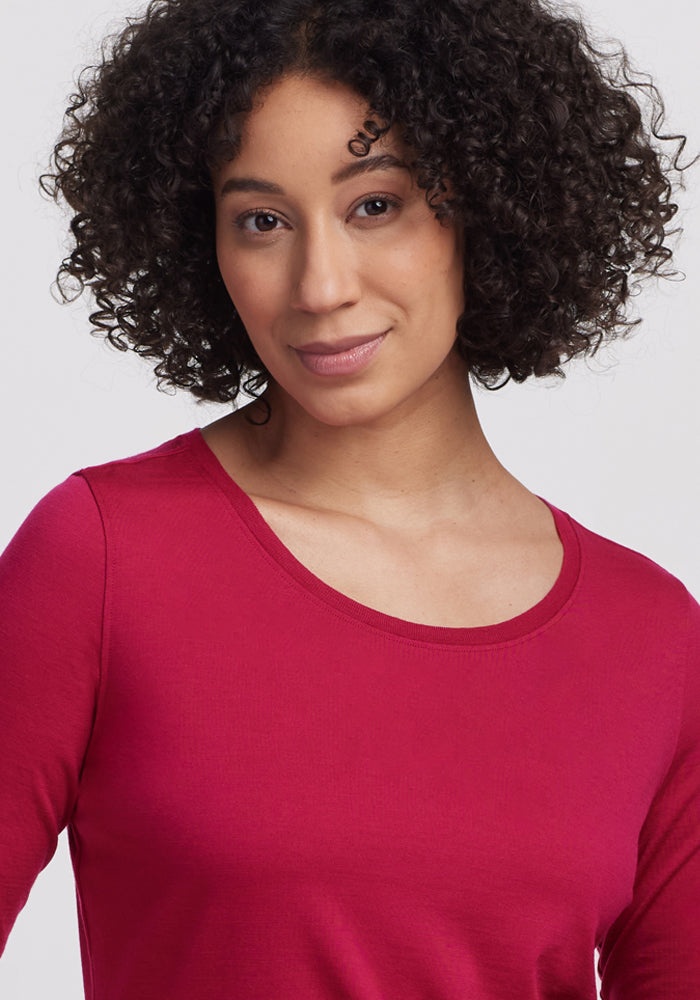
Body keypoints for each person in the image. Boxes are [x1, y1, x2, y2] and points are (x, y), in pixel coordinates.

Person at [1, 0, 698, 996]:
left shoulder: (652, 638)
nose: (318, 285)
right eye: (262, 221)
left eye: (376, 204)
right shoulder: (102, 560)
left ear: (488, 204)